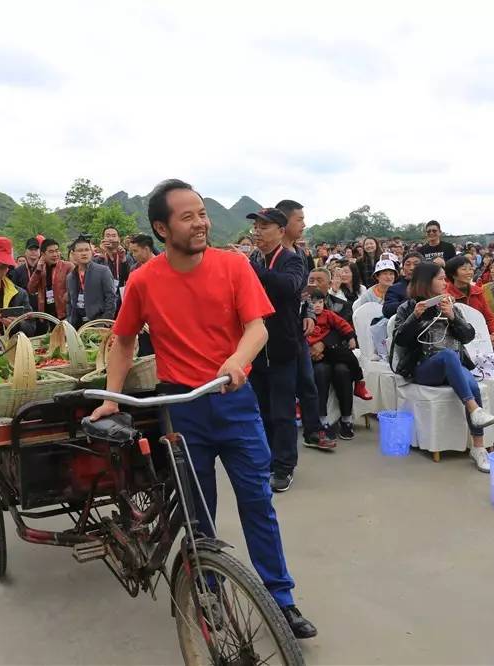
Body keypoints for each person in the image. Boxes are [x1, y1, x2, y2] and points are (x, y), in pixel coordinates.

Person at [89, 178, 317, 639]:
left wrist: (236, 360)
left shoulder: (233, 267)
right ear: (161, 227)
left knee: (259, 504)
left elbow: (258, 328)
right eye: (188, 216)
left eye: (202, 214)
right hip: (182, 409)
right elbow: (125, 338)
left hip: (234, 402)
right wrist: (113, 395)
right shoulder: (144, 279)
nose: (201, 223)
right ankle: (208, 589)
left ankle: (281, 599)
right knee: (198, 511)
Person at [391, 264, 494, 472]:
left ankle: (478, 448)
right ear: (426, 281)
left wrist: (453, 317)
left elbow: (468, 336)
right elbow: (400, 341)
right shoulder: (408, 307)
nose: (445, 283)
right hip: (425, 368)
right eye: (440, 279)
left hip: (453, 367)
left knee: (473, 387)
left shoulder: (449, 305)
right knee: (448, 356)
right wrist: (415, 317)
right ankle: (474, 409)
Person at [240, 207, 307, 492]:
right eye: (256, 226)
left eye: (264, 226)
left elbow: (287, 287)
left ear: (281, 231)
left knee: (282, 411)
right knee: (261, 409)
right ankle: (267, 460)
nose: (258, 232)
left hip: (282, 347)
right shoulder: (257, 259)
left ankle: (284, 466)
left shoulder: (292, 260)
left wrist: (250, 268)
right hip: (255, 348)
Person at [275, 199, 332, 450]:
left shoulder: (301, 253)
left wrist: (309, 312)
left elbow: (305, 291)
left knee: (307, 383)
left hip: (299, 328)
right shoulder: (266, 254)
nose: (304, 224)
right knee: (284, 391)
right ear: (284, 223)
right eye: (299, 219)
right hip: (278, 332)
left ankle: (313, 431)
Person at [307, 291, 372, 440]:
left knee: (347, 360)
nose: (316, 306)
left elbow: (342, 325)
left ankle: (359, 385)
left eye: (319, 302)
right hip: (313, 356)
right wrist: (310, 351)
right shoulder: (305, 318)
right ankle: (322, 420)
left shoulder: (329, 314)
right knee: (321, 371)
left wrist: (350, 337)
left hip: (333, 349)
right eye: (313, 303)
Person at [444, 255, 494, 354]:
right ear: (453, 274)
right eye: (464, 269)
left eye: (471, 268)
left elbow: (489, 317)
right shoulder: (445, 295)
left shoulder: (477, 292)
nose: (469, 272)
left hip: (482, 338)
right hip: (460, 342)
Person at [66, 237, 117, 327]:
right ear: (73, 254)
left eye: (87, 250)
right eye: (80, 250)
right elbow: (70, 303)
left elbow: (111, 298)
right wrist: (70, 319)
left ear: (91, 252)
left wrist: (104, 322)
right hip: (78, 324)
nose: (84, 253)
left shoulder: (103, 271)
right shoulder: (71, 277)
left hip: (98, 323)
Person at [26, 238, 74, 322]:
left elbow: (75, 289)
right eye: (51, 252)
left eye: (57, 251)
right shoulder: (40, 269)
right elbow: (31, 289)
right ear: (43, 254)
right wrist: (37, 270)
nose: (55, 254)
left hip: (64, 314)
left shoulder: (68, 266)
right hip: (47, 315)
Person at [382, 252, 424, 317]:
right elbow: (387, 310)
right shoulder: (395, 288)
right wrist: (411, 302)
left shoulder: (432, 285)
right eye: (408, 264)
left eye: (416, 264)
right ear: (403, 269)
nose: (411, 268)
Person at [10, 238, 42, 313]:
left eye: (36, 250)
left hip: (43, 312)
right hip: (25, 312)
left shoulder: (45, 269)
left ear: (40, 252)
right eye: (31, 249)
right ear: (25, 252)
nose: (33, 252)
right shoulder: (17, 271)